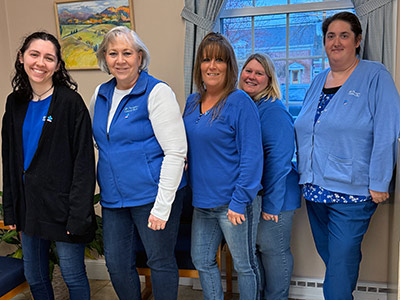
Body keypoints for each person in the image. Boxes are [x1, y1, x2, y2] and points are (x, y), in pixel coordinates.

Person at [294, 12, 400, 300]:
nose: (336, 42)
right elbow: (306, 130)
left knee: (339, 267)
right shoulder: (317, 81)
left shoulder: (375, 75)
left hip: (353, 192)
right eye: (330, 36)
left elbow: (387, 130)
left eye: (344, 35)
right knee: (336, 261)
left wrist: (380, 180)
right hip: (314, 190)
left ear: (358, 41)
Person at [90, 26, 187, 300]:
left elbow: (176, 151)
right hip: (113, 199)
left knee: (160, 261)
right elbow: (97, 141)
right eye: (113, 53)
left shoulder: (157, 92)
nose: (120, 60)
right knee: (116, 264)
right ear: (104, 59)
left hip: (152, 196)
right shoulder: (99, 94)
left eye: (127, 53)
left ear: (140, 56)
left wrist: (162, 206)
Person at [1, 32, 96, 300]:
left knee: (73, 276)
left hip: (63, 209)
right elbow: (9, 159)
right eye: (34, 54)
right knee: (36, 276)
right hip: (29, 208)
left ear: (57, 64)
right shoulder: (14, 102)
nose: (40, 63)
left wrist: (78, 215)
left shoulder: (69, 102)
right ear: (22, 58)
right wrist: (12, 210)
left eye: (49, 57)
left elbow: (83, 163)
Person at [183, 32, 263, 300]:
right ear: (199, 66)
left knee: (244, 265)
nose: (212, 66)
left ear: (229, 65)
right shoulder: (192, 103)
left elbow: (252, 157)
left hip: (233, 204)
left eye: (219, 60)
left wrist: (239, 201)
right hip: (202, 203)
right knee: (202, 261)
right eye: (206, 59)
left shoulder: (240, 102)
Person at [239, 53, 301, 300]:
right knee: (254, 252)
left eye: (259, 73)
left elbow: (279, 162)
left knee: (273, 250)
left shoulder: (274, 110)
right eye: (248, 71)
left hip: (276, 197)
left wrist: (272, 205)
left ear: (269, 79)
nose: (252, 76)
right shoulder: (245, 106)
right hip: (254, 197)